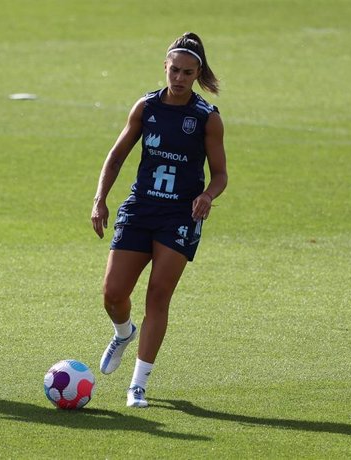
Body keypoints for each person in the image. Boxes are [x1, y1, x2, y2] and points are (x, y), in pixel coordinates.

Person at [90, 32, 227, 408]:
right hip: (140, 209)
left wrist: (207, 195)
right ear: (164, 68)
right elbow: (116, 156)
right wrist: (100, 200)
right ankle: (123, 332)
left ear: (197, 73)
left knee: (158, 297)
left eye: (187, 72)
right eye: (174, 70)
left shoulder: (206, 118)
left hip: (179, 216)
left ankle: (138, 385)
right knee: (113, 293)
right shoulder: (146, 107)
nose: (179, 78)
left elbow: (220, 174)